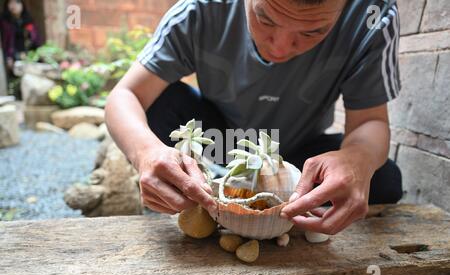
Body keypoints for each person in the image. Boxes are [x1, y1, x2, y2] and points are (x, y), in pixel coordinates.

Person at [105, 0, 403, 235]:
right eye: (265, 19)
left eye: (313, 31)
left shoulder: (373, 16)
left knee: (384, 178)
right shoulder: (198, 10)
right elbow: (124, 96)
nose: (280, 47)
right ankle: (212, 182)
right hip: (223, 142)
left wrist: (356, 160)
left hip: (297, 159)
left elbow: (369, 121)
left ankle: (281, 199)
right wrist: (146, 154)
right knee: (161, 101)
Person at [0, 0, 41, 72]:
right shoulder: (4, 22)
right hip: (12, 57)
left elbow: (35, 39)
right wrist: (9, 57)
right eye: (11, 2)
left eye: (17, 2)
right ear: (7, 5)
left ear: (22, 5)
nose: (14, 5)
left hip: (29, 55)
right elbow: (6, 42)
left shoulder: (28, 20)